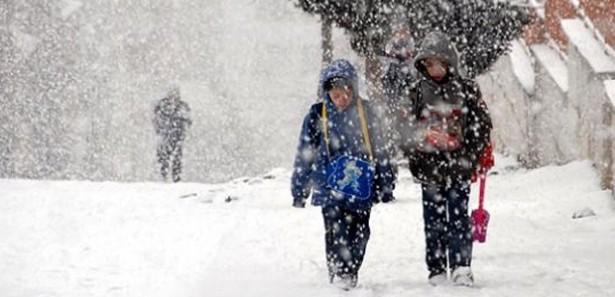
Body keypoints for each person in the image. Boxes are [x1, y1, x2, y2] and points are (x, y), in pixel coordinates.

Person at [291, 59, 396, 290]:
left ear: (354, 90)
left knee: (360, 231)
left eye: (346, 93)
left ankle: (351, 269)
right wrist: (299, 189)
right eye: (336, 94)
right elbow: (304, 152)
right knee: (335, 230)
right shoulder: (317, 114)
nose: (341, 99)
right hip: (329, 186)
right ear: (327, 93)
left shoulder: (366, 113)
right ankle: (339, 270)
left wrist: (386, 183)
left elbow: (381, 149)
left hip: (361, 186)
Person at [399, 32, 493, 286]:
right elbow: (403, 130)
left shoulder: (467, 89)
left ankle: (462, 265)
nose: (435, 69)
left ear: (449, 61)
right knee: (433, 220)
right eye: (428, 64)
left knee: (459, 217)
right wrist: (422, 139)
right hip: (429, 168)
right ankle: (437, 268)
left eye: (439, 63)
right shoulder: (416, 92)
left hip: (459, 166)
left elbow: (482, 125)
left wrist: (469, 151)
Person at [153, 87, 192, 182]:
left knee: (167, 157)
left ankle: (166, 176)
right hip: (173, 135)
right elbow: (188, 121)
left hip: (169, 135)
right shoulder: (182, 106)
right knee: (173, 157)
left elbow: (156, 119)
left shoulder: (162, 105)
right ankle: (172, 177)